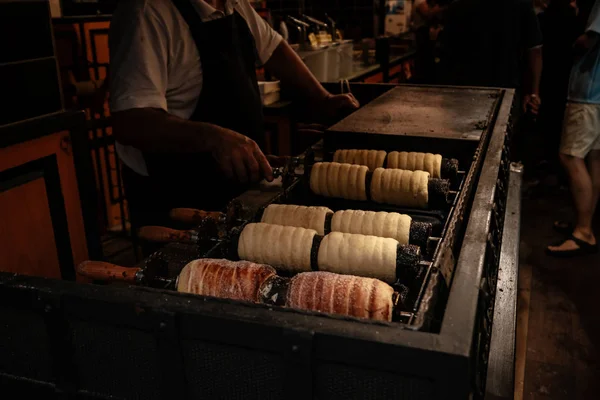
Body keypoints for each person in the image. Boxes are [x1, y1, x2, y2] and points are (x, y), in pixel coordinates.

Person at [108, 0, 359, 237]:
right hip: (178, 198)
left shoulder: (232, 5)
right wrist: (214, 138)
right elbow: (130, 121)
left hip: (236, 189)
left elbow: (274, 49)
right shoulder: (146, 12)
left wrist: (322, 98)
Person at [547, 0, 600, 257]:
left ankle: (583, 231)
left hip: (588, 93)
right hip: (597, 97)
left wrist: (571, 43)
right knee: (594, 159)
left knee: (570, 156)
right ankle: (585, 221)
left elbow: (589, 39)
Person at [436, 0, 543, 116]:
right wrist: (533, 92)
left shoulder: (459, 5)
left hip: (465, 88)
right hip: (506, 87)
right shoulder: (520, 3)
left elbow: (447, 52)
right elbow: (534, 50)